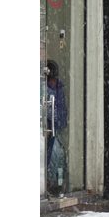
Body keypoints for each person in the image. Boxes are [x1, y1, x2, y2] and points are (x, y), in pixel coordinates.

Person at [46, 60, 68, 194]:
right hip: (50, 128)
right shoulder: (50, 89)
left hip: (56, 128)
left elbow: (60, 109)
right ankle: (54, 184)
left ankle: (57, 184)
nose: (53, 81)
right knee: (55, 157)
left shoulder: (58, 88)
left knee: (57, 157)